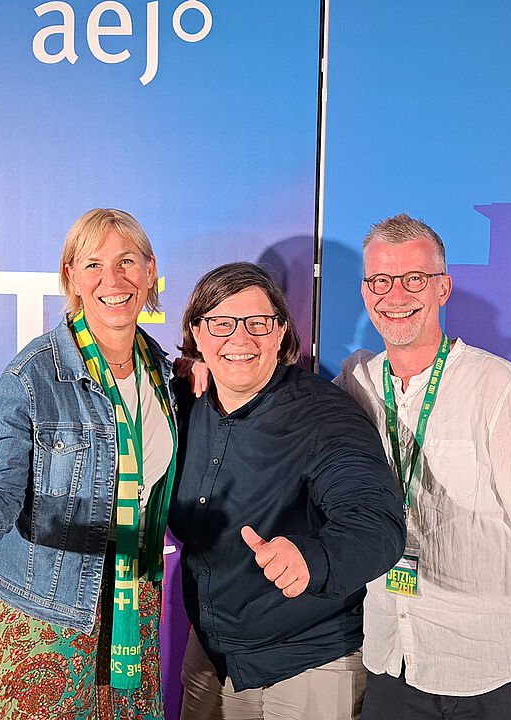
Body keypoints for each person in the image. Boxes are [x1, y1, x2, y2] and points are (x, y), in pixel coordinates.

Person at [0, 208, 177, 720]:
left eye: (128, 261)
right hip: (45, 618)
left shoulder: (162, 372)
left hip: (132, 607)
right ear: (71, 278)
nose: (113, 280)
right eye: (94, 265)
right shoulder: (31, 377)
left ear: (150, 272)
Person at [335, 214, 511, 720]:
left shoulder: (499, 388)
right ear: (365, 292)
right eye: (381, 280)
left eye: (415, 279)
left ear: (442, 288)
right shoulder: (356, 381)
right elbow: (280, 396)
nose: (396, 295)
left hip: (484, 669)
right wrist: (202, 360)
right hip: (391, 658)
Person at [168, 262, 406, 720]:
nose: (240, 340)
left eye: (258, 323)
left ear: (280, 333)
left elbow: (376, 523)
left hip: (307, 661)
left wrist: (313, 559)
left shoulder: (325, 416)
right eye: (220, 323)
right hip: (211, 656)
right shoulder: (183, 399)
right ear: (196, 333)